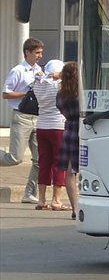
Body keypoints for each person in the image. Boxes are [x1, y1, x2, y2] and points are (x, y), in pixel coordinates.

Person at [1, 38, 44, 204]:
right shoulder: (18, 70)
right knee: (15, 158)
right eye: (37, 52)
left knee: (40, 160)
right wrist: (26, 92)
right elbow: (6, 94)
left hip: (37, 117)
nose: (40, 55)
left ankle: (29, 193)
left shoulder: (39, 69)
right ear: (27, 52)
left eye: (41, 52)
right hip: (21, 116)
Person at [33, 59, 68, 211]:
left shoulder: (38, 84)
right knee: (59, 163)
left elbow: (41, 78)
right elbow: (72, 78)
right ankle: (56, 199)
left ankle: (41, 199)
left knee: (44, 163)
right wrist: (61, 75)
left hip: (41, 126)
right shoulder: (60, 85)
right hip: (58, 126)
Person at [56, 61, 81, 220]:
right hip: (85, 127)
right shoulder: (83, 92)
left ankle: (75, 208)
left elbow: (61, 110)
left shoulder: (61, 93)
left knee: (70, 171)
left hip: (70, 128)